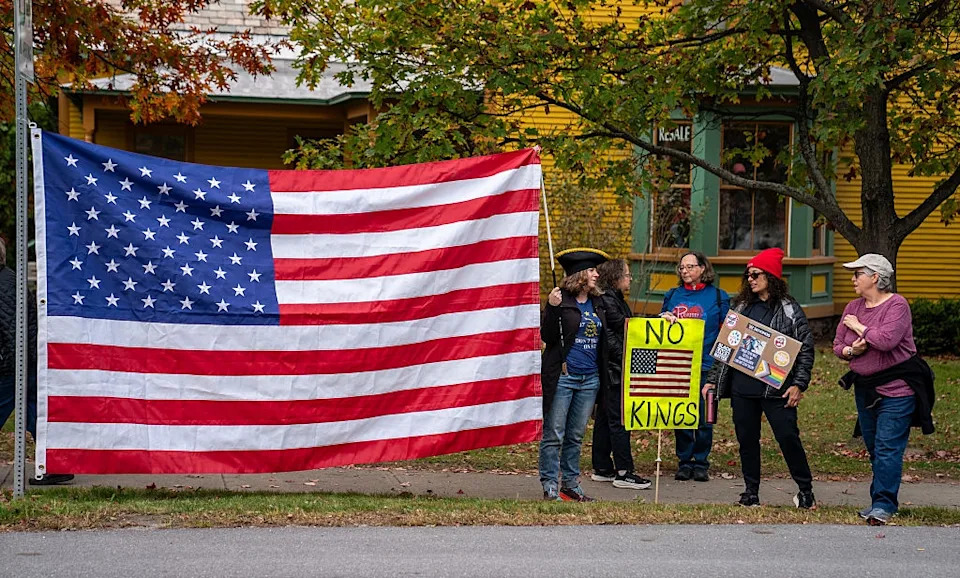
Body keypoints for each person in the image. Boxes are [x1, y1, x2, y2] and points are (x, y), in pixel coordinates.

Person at [703, 247, 816, 508]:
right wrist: (712, 380)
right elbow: (724, 348)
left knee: (788, 438)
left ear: (771, 277)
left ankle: (805, 490)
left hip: (776, 390)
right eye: (748, 275)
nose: (750, 279)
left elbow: (805, 348)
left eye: (756, 274)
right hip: (743, 389)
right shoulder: (741, 306)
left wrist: (799, 384)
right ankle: (750, 492)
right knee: (747, 441)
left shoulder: (788, 310)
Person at [833, 254, 934, 526]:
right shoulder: (853, 305)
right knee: (875, 447)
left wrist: (858, 327)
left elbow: (886, 341)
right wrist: (851, 349)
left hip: (898, 389)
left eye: (858, 273)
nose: (853, 278)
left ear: (875, 277)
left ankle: (883, 505)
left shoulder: (897, 305)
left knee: (887, 446)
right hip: (865, 390)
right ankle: (880, 499)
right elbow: (838, 345)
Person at [0, 238, 74, 485]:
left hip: (12, 366)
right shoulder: (10, 280)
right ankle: (56, 465)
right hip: (25, 361)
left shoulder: (4, 285)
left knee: (33, 413)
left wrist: (11, 366)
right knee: (34, 415)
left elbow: (11, 333)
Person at [540, 247, 610, 502]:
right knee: (554, 433)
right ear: (579, 274)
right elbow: (547, 336)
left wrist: (661, 318)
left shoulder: (599, 302)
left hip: (590, 379)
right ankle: (549, 482)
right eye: (592, 270)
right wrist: (552, 307)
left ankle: (569, 483)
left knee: (576, 435)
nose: (597, 275)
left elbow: (623, 325)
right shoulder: (562, 300)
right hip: (563, 377)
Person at [659, 251, 730, 482]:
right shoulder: (672, 295)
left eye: (690, 267)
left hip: (707, 366)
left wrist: (719, 368)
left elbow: (726, 335)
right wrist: (665, 317)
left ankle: (701, 461)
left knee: (704, 416)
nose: (685, 271)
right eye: (682, 268)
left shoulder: (719, 297)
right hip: (679, 365)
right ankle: (684, 460)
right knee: (681, 414)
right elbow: (660, 327)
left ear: (702, 269)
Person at [590, 259, 651, 490]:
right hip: (614, 369)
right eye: (626, 274)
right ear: (615, 277)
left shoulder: (612, 299)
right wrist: (628, 359)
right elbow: (624, 327)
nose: (630, 278)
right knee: (619, 420)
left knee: (606, 417)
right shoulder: (607, 300)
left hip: (611, 369)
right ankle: (624, 472)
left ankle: (603, 467)